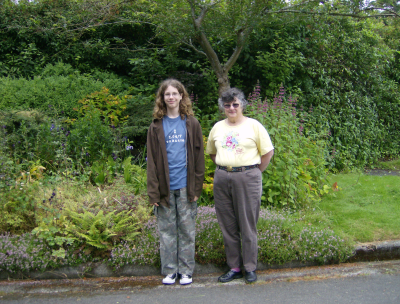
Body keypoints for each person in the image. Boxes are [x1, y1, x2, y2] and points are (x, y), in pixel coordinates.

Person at [206, 87, 274, 284]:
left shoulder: (254, 126)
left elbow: (267, 152)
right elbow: (212, 152)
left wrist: (253, 172)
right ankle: (234, 267)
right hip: (222, 178)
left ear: (242, 104)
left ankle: (250, 267)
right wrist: (225, 167)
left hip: (247, 177)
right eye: (227, 105)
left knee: (247, 223)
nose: (231, 108)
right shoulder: (217, 127)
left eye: (235, 104)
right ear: (223, 107)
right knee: (227, 224)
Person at [146, 79, 205, 285]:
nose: (171, 97)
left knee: (187, 230)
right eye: (167, 94)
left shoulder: (191, 123)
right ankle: (170, 271)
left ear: (181, 96)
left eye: (175, 93)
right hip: (164, 189)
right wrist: (153, 192)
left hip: (186, 186)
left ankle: (186, 271)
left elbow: (199, 158)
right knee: (167, 231)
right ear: (162, 98)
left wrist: (197, 187)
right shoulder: (156, 126)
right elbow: (152, 162)